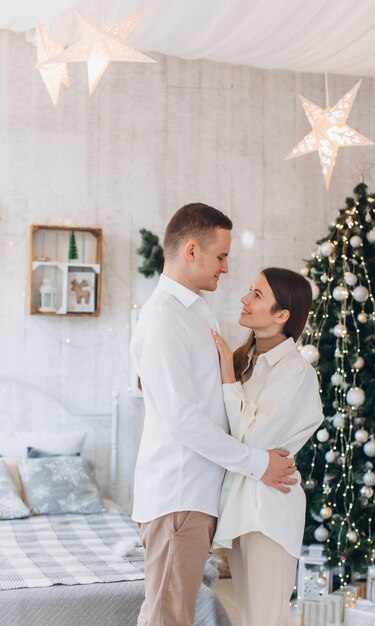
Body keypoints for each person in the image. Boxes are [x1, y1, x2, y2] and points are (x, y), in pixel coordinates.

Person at [130, 204, 298, 626]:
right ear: (191, 251)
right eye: (221, 256)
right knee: (169, 618)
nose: (226, 267)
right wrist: (259, 464)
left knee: (169, 612)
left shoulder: (194, 310)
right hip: (178, 494)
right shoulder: (165, 318)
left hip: (194, 495)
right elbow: (183, 420)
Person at [212, 267, 324, 626]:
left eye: (257, 295)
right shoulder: (249, 360)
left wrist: (227, 375)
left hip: (271, 509)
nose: (245, 299)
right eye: (250, 291)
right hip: (244, 504)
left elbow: (252, 438)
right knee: (251, 617)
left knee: (266, 620)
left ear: (282, 315)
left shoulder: (296, 372)